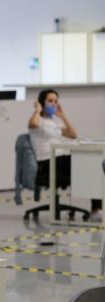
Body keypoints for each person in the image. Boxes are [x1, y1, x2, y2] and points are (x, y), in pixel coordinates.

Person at [28, 89, 102, 221]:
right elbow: (33, 124)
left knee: (94, 164)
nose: (53, 104)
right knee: (89, 164)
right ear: (42, 102)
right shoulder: (37, 119)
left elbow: (73, 135)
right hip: (46, 163)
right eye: (50, 101)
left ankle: (96, 209)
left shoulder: (55, 121)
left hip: (59, 159)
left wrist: (63, 116)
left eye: (55, 101)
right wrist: (37, 110)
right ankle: (96, 209)